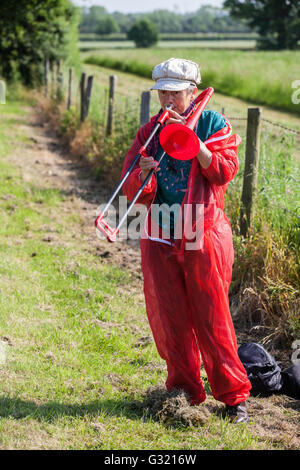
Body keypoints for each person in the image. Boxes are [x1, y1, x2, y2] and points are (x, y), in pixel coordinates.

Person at [121, 58, 252, 424]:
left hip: (202, 227)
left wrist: (197, 146)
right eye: (162, 91)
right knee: (171, 315)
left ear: (192, 92)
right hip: (161, 228)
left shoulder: (213, 123)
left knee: (212, 316)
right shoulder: (149, 130)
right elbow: (131, 186)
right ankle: (183, 392)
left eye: (174, 92)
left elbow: (225, 170)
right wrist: (142, 173)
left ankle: (234, 398)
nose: (167, 98)